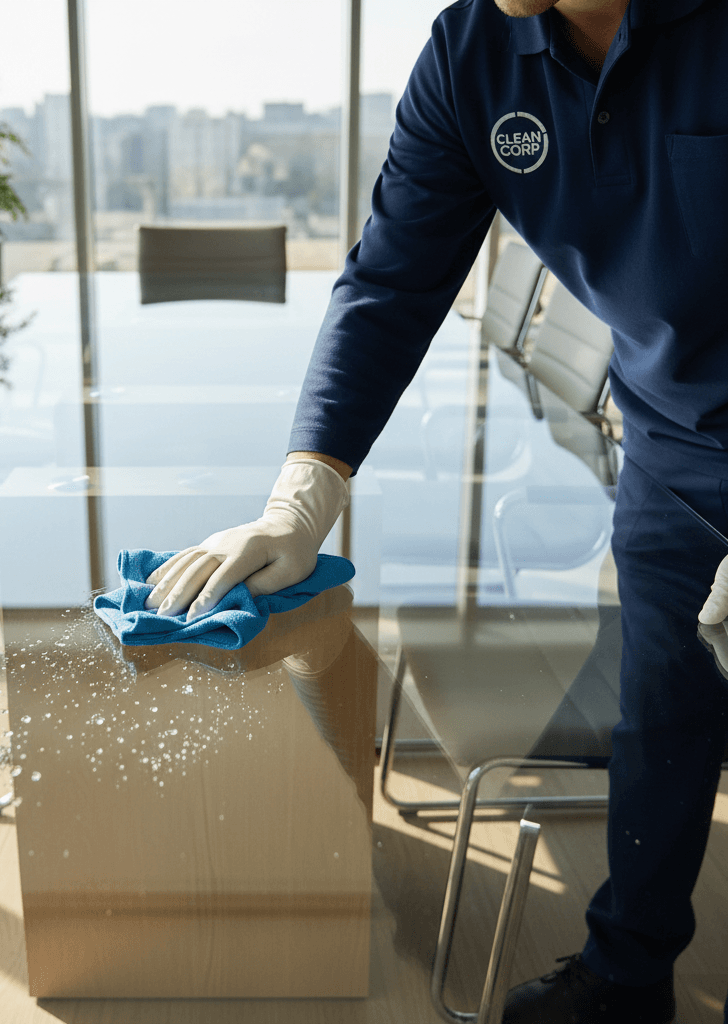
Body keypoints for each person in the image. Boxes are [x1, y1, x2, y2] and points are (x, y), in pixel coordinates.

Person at [146, 0, 728, 1020]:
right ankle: (629, 972)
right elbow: (391, 282)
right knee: (662, 721)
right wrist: (301, 497)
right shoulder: (472, 53)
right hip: (669, 446)